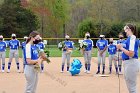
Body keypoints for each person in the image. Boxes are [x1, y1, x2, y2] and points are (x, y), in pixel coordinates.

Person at [117, 24, 139, 93]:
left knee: (132, 88)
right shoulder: (129, 39)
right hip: (129, 63)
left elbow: (131, 54)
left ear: (129, 29)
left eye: (126, 29)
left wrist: (121, 48)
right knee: (131, 87)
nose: (125, 31)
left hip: (131, 63)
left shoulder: (132, 37)